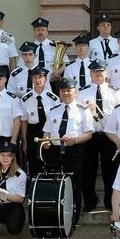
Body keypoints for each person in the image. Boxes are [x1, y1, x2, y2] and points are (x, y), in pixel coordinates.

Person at [42, 78, 94, 225]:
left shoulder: (83, 111)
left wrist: (75, 140)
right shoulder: (53, 110)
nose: (66, 93)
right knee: (54, 183)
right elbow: (46, 132)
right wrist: (45, 142)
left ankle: (73, 217)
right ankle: (56, 215)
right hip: (54, 152)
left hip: (74, 150)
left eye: (68, 90)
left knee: (74, 184)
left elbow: (89, 133)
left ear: (75, 92)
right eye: (63, 90)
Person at [77, 59, 120, 210]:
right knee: (88, 170)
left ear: (106, 73)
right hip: (90, 135)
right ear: (90, 73)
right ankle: (90, 201)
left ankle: (110, 202)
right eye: (95, 72)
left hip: (108, 135)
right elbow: (77, 114)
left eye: (101, 71)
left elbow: (119, 114)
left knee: (110, 170)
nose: (98, 74)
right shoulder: (82, 91)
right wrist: (86, 109)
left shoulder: (114, 91)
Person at [20, 67, 59, 179]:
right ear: (32, 79)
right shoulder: (25, 99)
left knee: (51, 162)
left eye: (40, 77)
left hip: (49, 133)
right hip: (33, 133)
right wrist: (24, 140)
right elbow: (24, 121)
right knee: (33, 163)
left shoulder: (53, 98)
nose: (38, 80)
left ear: (45, 79)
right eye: (35, 77)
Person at [0, 141, 26, 239]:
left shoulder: (20, 174)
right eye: (3, 155)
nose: (5, 158)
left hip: (14, 205)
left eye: (9, 156)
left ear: (13, 158)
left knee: (14, 230)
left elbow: (20, 199)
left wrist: (3, 194)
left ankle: (11, 220)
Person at [32, 17, 68, 89]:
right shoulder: (29, 48)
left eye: (43, 30)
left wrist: (59, 72)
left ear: (47, 32)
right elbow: (22, 66)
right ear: (34, 32)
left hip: (52, 83)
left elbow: (66, 63)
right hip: (34, 83)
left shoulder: (56, 46)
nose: (40, 32)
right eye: (38, 30)